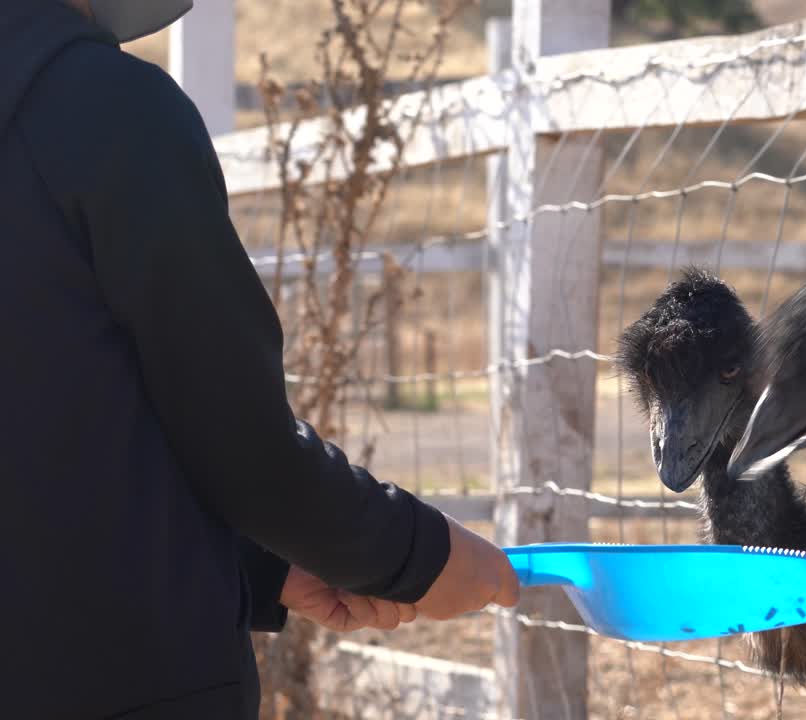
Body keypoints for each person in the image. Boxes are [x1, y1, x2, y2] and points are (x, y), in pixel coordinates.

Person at [0, 1, 520, 717]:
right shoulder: (107, 110)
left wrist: (259, 564)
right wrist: (419, 556)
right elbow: (236, 438)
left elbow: (60, 431)